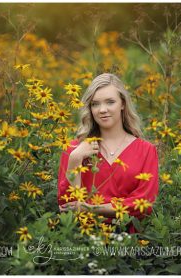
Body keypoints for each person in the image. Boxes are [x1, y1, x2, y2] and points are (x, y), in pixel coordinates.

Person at [57, 73, 159, 233]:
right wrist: (76, 159)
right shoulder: (74, 149)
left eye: (110, 102)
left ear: (123, 104)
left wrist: (90, 209)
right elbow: (67, 207)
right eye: (95, 104)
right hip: (84, 238)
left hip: (129, 241)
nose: (102, 110)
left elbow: (144, 204)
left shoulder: (146, 150)